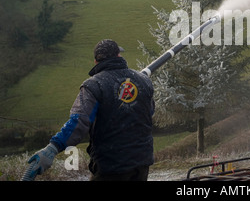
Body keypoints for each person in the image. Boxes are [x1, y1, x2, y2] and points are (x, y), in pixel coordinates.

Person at [26, 39, 155, 181]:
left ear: (96, 62)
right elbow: (149, 113)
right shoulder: (144, 81)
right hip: (142, 162)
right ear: (119, 56)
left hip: (111, 164)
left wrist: (53, 147)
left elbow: (78, 122)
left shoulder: (93, 86)